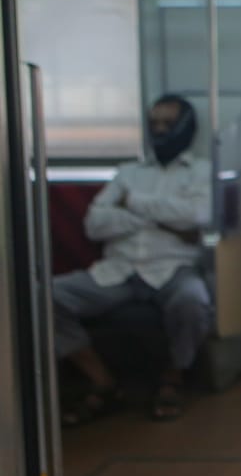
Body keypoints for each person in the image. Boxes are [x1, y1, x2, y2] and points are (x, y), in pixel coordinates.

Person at [55, 94, 212, 424]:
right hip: (119, 269)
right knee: (44, 297)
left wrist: (133, 204)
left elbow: (198, 215)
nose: (159, 130)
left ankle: (174, 377)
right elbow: (94, 225)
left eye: (168, 124)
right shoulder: (127, 173)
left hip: (173, 267)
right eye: (154, 123)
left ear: (186, 128)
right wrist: (164, 219)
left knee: (193, 300)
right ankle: (102, 381)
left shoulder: (201, 171)